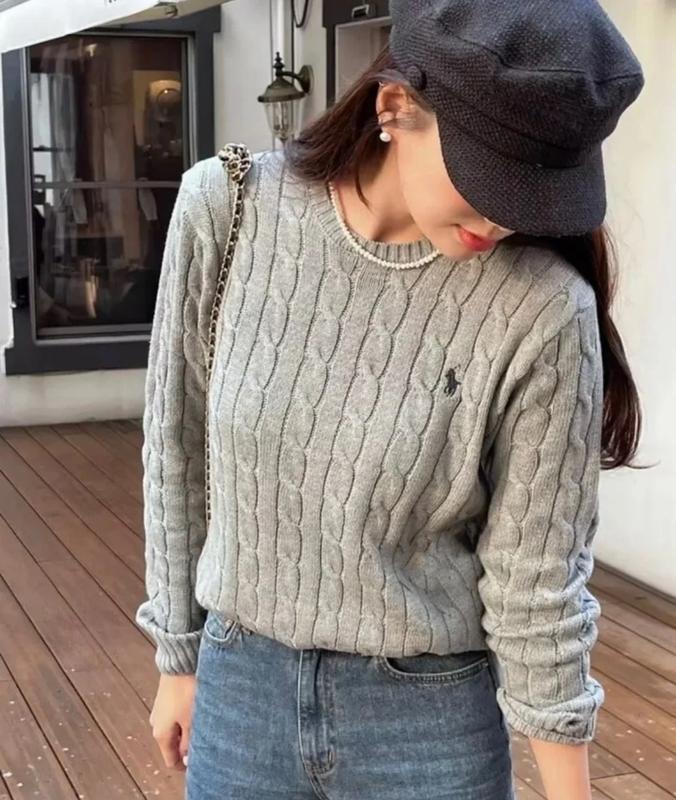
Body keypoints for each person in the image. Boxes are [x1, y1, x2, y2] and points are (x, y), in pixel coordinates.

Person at [135, 1, 646, 798]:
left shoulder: (543, 310)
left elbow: (537, 580)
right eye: (490, 177)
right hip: (241, 693)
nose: (504, 217)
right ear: (394, 107)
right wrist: (179, 654)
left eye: (537, 192)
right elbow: (176, 448)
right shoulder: (226, 209)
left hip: (429, 725)